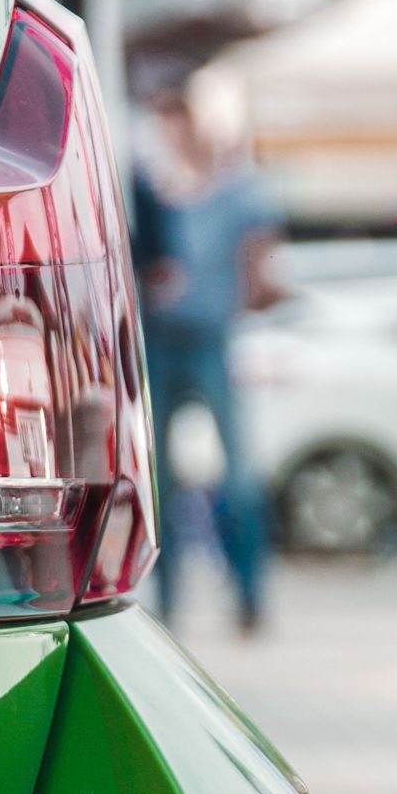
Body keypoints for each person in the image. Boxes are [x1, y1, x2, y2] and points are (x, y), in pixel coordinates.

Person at [130, 84, 283, 632]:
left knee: (237, 476)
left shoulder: (236, 189)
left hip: (213, 339)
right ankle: (168, 598)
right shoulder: (150, 188)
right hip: (160, 340)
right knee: (161, 480)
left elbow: (262, 261)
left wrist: (245, 296)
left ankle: (249, 595)